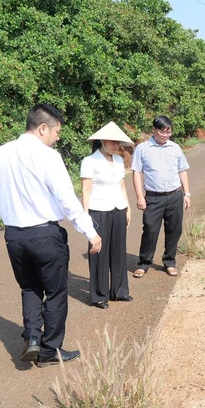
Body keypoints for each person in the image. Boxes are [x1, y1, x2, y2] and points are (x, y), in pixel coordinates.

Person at [0, 103, 102, 368]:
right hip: (45, 236)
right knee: (55, 292)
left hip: (14, 238)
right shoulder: (48, 157)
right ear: (43, 128)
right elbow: (67, 199)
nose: (57, 138)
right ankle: (49, 350)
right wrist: (91, 231)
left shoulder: (0, 154)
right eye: (56, 132)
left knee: (29, 287)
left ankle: (32, 337)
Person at [81, 122, 134, 309]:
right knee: (99, 253)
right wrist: (86, 216)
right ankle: (99, 295)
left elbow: (121, 185)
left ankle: (119, 291)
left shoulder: (119, 160)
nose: (116, 145)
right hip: (98, 210)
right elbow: (86, 190)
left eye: (118, 142)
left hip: (118, 208)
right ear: (102, 140)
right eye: (112, 141)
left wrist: (127, 208)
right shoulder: (89, 161)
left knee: (119, 250)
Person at [131, 115, 191, 278]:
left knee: (174, 230)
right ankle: (143, 263)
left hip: (175, 195)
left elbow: (182, 171)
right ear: (154, 130)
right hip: (153, 198)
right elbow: (137, 172)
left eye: (168, 132)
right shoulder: (142, 149)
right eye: (162, 132)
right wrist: (139, 196)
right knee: (150, 229)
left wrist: (187, 194)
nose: (165, 135)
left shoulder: (175, 148)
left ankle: (170, 262)